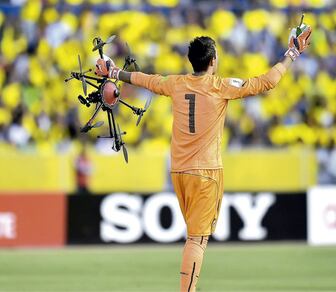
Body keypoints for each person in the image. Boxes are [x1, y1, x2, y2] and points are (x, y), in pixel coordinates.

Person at [95, 24, 312, 292]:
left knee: (194, 237)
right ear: (212, 61)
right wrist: (292, 52)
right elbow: (268, 82)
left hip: (179, 172)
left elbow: (145, 79)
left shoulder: (175, 83)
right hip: (206, 173)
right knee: (197, 240)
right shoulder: (219, 87)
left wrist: (115, 72)